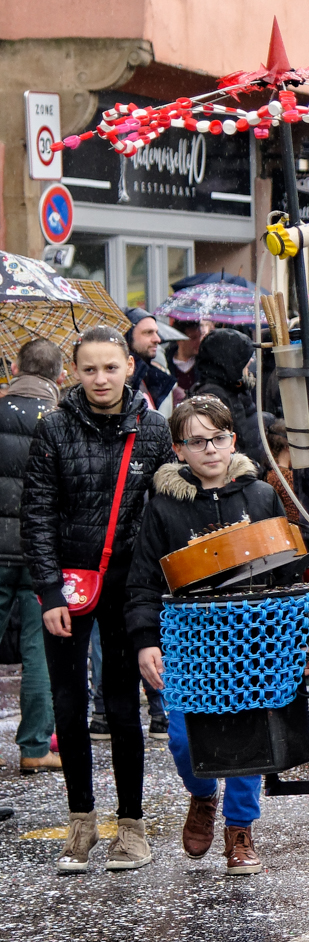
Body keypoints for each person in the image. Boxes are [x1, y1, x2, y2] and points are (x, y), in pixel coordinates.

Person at [130, 396, 309, 876]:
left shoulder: (259, 495)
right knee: (182, 737)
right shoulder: (164, 504)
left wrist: (294, 640)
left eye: (217, 438)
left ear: (232, 440)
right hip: (189, 644)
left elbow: (282, 571)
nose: (209, 449)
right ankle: (201, 793)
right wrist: (146, 639)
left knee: (249, 734)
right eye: (196, 441)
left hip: (251, 639)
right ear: (179, 449)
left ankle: (240, 829)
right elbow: (144, 580)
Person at [24, 325, 176, 873]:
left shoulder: (153, 428)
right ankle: (81, 822)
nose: (100, 378)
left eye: (110, 367)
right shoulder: (55, 427)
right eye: (89, 369)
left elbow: (165, 513)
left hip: (130, 586)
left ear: (128, 367)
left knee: (120, 703)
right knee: (68, 703)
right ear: (73, 373)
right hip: (68, 583)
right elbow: (37, 512)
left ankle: (132, 826)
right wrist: (47, 591)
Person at [1, 338, 63, 776]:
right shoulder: (60, 421)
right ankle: (35, 746)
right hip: (41, 550)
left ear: (16, 368)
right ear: (61, 375)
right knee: (39, 650)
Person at [188, 328, 266, 461]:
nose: (251, 361)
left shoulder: (234, 388)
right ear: (230, 360)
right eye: (243, 357)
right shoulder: (214, 395)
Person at [124, 309, 178, 411]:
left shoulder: (153, 377)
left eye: (156, 332)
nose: (157, 339)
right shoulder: (122, 382)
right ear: (128, 335)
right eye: (148, 333)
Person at [164, 314, 208, 399]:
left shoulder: (205, 364)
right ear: (180, 340)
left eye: (200, 336)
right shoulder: (165, 363)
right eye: (193, 338)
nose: (199, 342)